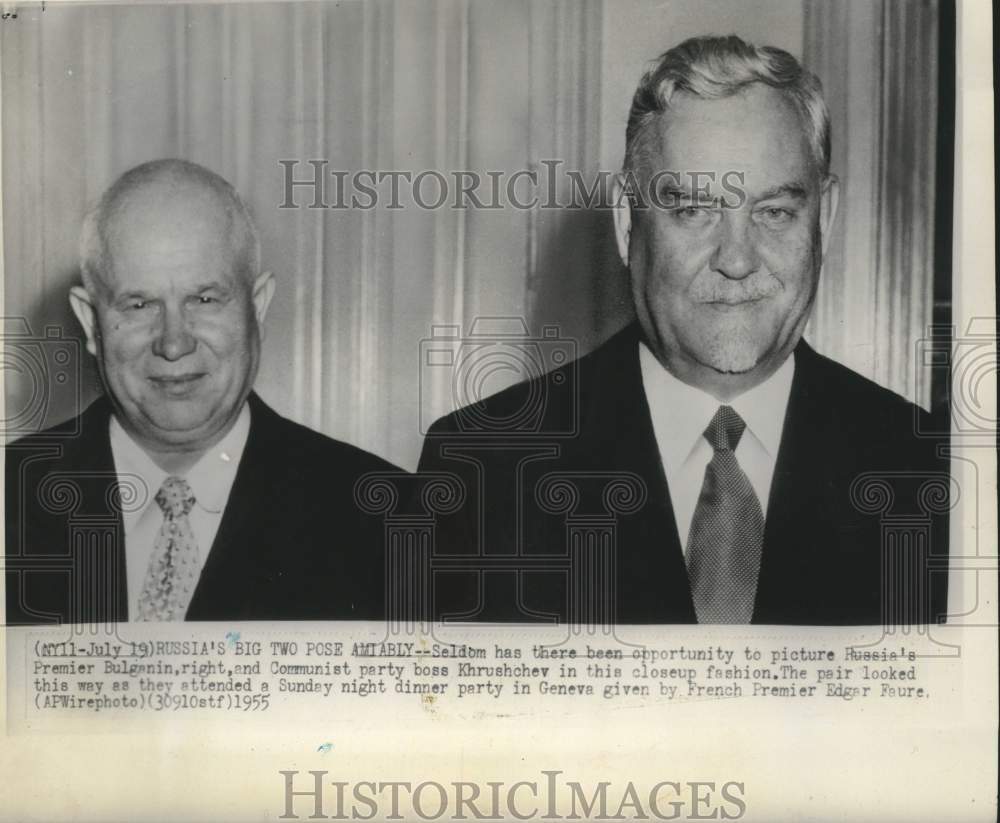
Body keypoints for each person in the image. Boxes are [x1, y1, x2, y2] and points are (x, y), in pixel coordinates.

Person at [417, 35, 950, 626]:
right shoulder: (483, 473)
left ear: (825, 217)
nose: (738, 260)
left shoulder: (932, 470)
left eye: (774, 212)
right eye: (694, 210)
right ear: (626, 223)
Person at [5, 159, 398, 624]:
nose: (174, 343)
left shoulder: (385, 522)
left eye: (205, 299)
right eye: (139, 304)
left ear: (258, 307)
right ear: (91, 322)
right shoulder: (9, 500)